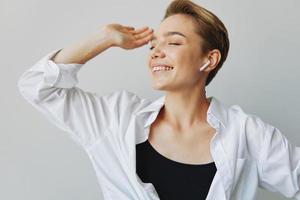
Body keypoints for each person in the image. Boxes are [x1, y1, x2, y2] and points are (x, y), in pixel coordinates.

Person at [17, 0, 300, 199]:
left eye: (173, 42)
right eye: (153, 45)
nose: (155, 52)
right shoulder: (115, 120)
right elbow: (36, 86)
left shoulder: (248, 134)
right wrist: (104, 38)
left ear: (209, 59)